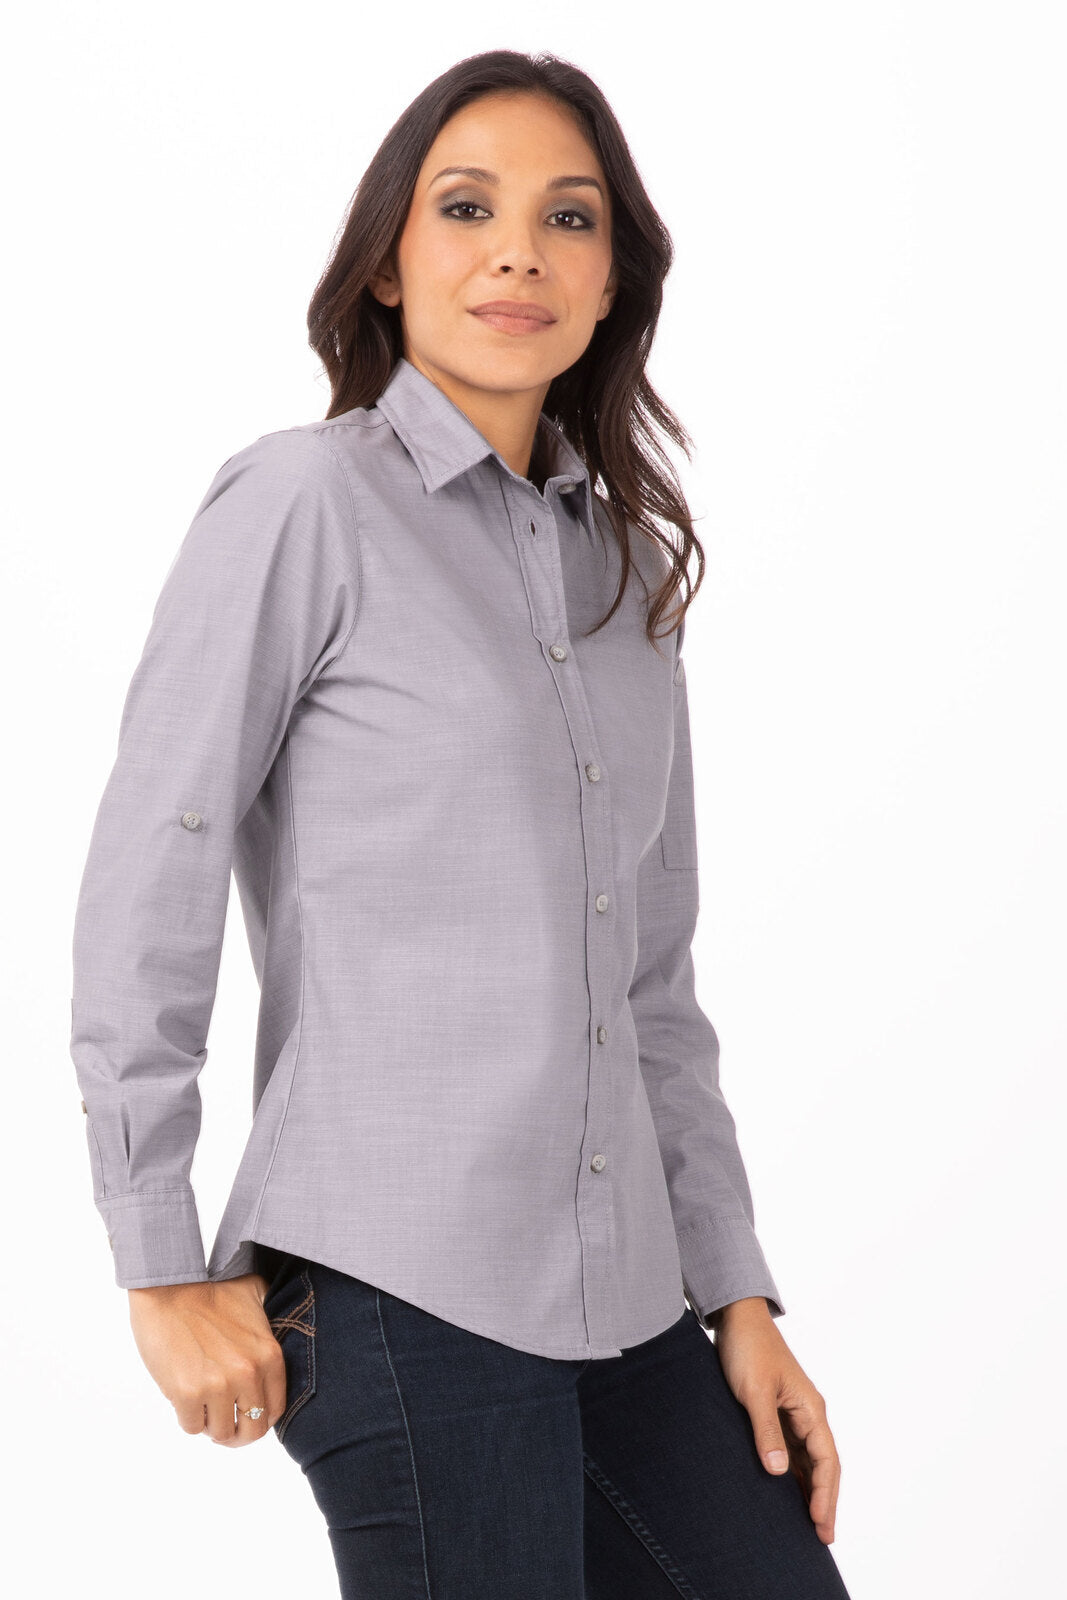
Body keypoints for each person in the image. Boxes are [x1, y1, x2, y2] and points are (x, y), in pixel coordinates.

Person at [69, 49, 852, 1600]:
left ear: (614, 281)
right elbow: (151, 875)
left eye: (570, 217)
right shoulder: (302, 505)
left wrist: (738, 1294)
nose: (519, 253)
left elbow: (653, 986)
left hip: (632, 1303)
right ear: (388, 259)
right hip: (399, 1287)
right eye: (467, 207)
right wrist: (157, 1261)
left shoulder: (627, 573)